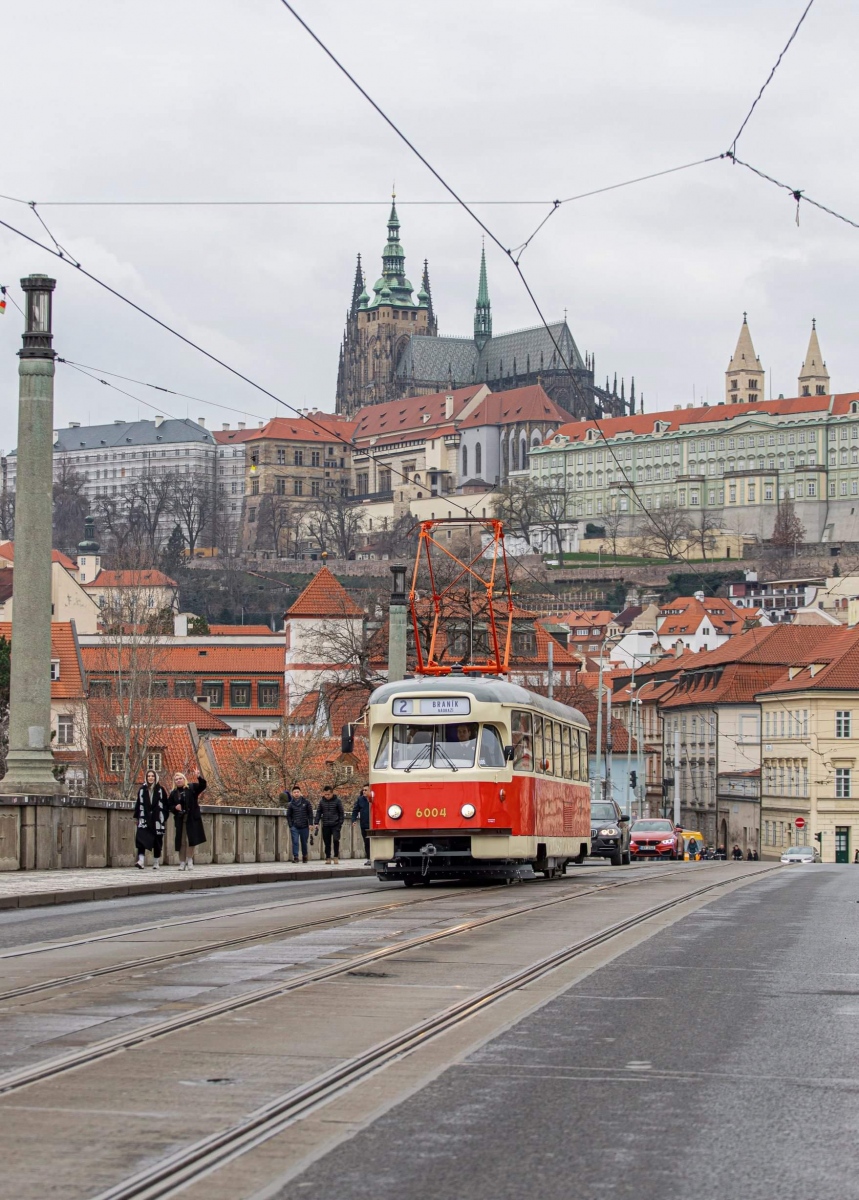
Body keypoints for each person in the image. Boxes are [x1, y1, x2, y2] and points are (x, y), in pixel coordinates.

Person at [169, 770, 207, 870]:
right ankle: (182, 862)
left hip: (191, 818)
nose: (178, 781)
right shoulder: (173, 793)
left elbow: (203, 786)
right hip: (180, 819)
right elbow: (169, 805)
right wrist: (175, 808)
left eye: (180, 778)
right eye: (176, 779)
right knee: (181, 841)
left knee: (191, 839)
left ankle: (189, 860)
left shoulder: (191, 788)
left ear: (184, 779)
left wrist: (198, 776)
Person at [134, 769, 169, 869]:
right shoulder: (142, 790)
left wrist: (164, 817)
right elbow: (138, 804)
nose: (150, 778)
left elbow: (166, 805)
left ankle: (156, 862)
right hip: (144, 819)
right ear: (146, 777)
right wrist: (137, 817)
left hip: (157, 820)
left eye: (152, 776)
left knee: (157, 841)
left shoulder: (161, 790)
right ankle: (141, 861)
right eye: (148, 776)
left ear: (155, 777)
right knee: (140, 839)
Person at [314, 785, 345, 865]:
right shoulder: (322, 802)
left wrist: (340, 823)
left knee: (335, 840)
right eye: (325, 794)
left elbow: (341, 813)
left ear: (332, 793)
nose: (327, 796)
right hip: (326, 824)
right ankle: (328, 857)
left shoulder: (337, 801)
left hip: (335, 824)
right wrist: (316, 822)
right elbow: (318, 812)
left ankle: (336, 856)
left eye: (328, 794)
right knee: (327, 842)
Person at [285, 783, 314, 864]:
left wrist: (310, 824)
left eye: (298, 792)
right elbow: (288, 815)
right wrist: (291, 825)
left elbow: (310, 814)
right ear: (292, 794)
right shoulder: (291, 804)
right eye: (294, 792)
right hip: (295, 826)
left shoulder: (306, 802)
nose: (296, 794)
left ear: (300, 793)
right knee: (295, 841)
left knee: (304, 842)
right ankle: (296, 857)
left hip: (304, 825)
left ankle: (305, 856)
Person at [351, 785, 371, 865]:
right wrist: (353, 820)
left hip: (374, 825)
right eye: (363, 790)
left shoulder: (376, 798)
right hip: (364, 824)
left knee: (374, 842)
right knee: (366, 842)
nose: (364, 792)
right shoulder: (360, 799)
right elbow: (355, 810)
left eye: (366, 790)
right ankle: (369, 858)